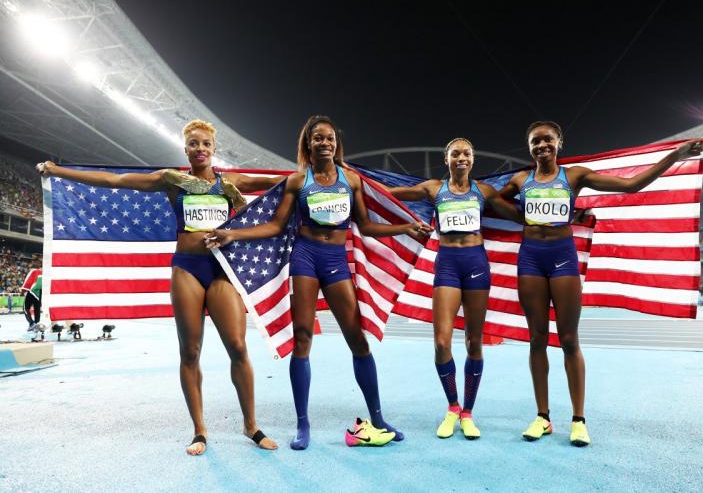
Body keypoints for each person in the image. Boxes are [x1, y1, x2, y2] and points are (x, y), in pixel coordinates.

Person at [37, 119, 283, 455]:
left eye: (205, 144)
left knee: (238, 347)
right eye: (193, 144)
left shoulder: (231, 182)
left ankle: (250, 426)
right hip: (187, 269)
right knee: (190, 352)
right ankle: (199, 431)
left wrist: (323, 171)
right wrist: (59, 171)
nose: (199, 149)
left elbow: (283, 183)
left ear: (214, 149)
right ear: (186, 149)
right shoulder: (172, 181)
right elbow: (115, 180)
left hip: (222, 269)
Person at [205, 115, 432, 450]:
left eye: (330, 139)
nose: (325, 143)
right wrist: (232, 233)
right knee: (303, 338)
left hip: (336, 261)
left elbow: (366, 226)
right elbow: (275, 226)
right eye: (318, 139)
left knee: (358, 339)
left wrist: (406, 228)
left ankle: (378, 418)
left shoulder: (351, 180)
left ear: (336, 144)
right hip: (306, 257)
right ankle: (303, 424)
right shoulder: (298, 182)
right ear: (307, 144)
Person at [500, 121, 703, 446]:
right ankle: (542, 417)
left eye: (547, 140)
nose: (541, 146)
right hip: (530, 260)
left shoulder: (575, 176)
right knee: (537, 338)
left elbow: (631, 185)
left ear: (559, 142)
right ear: (529, 147)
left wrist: (675, 156)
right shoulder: (520, 180)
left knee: (568, 339)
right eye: (535, 142)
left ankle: (579, 419)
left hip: (562, 257)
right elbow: (485, 204)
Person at [376, 138, 522, 440]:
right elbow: (389, 195)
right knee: (442, 342)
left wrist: (563, 217)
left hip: (477, 265)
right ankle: (452, 406)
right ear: (447, 160)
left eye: (466, 153)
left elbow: (517, 215)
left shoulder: (483, 191)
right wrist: (353, 188)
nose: (461, 157)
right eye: (455, 153)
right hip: (447, 266)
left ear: (472, 159)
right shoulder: (433, 189)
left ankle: (468, 412)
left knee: (474, 342)